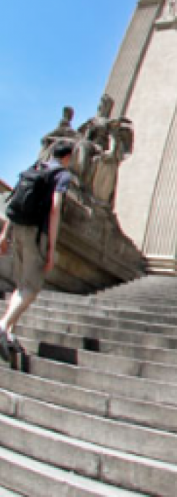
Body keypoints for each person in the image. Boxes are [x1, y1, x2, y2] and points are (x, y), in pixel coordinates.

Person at [0, 141, 74, 363]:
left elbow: (15, 199)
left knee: (22, 285)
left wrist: (5, 234)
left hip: (18, 229)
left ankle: (9, 332)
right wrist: (51, 248)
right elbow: (55, 208)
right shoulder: (62, 175)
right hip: (35, 233)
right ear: (68, 157)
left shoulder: (37, 167)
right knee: (31, 288)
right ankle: (2, 326)